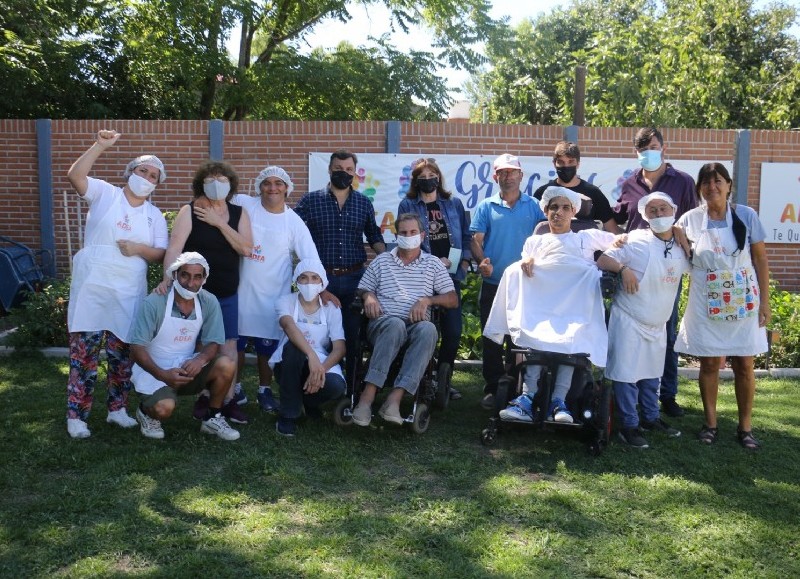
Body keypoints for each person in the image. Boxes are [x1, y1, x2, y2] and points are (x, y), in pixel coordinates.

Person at [65, 129, 168, 439]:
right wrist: (100, 145)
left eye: (153, 176)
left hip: (127, 290)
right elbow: (76, 176)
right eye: (142, 171)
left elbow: (160, 252)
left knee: (121, 354)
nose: (147, 178)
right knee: (85, 354)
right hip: (93, 286)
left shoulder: (154, 216)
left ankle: (117, 410)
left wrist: (137, 249)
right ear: (130, 172)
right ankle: (77, 416)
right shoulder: (105, 193)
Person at [487, 186, 615, 424]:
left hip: (573, 313)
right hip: (540, 311)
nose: (559, 212)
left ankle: (559, 400)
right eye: (553, 207)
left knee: (570, 340)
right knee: (534, 337)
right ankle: (527, 398)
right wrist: (527, 261)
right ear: (545, 211)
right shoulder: (535, 241)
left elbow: (623, 242)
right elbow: (522, 265)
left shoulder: (586, 238)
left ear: (573, 212)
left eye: (565, 208)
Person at [675, 163, 771, 450]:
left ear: (729, 185)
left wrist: (765, 302)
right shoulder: (689, 220)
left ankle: (745, 428)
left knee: (744, 363)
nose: (712, 187)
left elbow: (761, 260)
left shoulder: (746, 215)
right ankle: (711, 424)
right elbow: (670, 240)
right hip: (705, 299)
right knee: (710, 362)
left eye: (718, 181)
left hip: (743, 296)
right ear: (699, 189)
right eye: (705, 182)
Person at [158, 161, 253, 424]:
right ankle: (204, 397)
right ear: (201, 183)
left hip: (226, 293)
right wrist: (168, 279)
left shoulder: (239, 213)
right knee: (201, 346)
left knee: (229, 347)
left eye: (221, 179)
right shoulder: (189, 211)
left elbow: (246, 248)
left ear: (231, 185)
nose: (216, 184)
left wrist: (218, 223)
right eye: (210, 179)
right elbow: (174, 248)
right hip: (194, 294)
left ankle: (227, 400)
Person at [614, 127, 697, 418]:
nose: (647, 152)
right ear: (636, 152)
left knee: (666, 332)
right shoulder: (628, 184)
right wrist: (618, 238)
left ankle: (667, 396)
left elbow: (691, 221)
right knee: (633, 336)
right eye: (641, 149)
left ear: (663, 146)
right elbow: (618, 219)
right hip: (636, 268)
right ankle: (634, 397)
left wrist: (680, 236)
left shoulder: (684, 182)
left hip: (667, 266)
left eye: (652, 146)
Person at [597, 192, 691, 448]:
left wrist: (684, 237)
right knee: (626, 373)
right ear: (644, 216)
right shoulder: (636, 240)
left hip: (658, 323)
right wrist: (623, 269)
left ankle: (650, 417)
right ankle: (628, 425)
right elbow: (603, 258)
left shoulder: (681, 246)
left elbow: (697, 264)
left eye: (663, 209)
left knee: (652, 373)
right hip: (629, 318)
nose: (659, 215)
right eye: (652, 211)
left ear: (673, 210)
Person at [352, 213, 458, 426]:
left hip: (416, 326)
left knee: (428, 330)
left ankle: (394, 399)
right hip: (384, 324)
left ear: (422, 235)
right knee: (395, 324)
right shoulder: (382, 260)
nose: (408, 236)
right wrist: (368, 296)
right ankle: (367, 397)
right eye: (403, 233)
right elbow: (362, 287)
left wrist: (427, 300)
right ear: (396, 235)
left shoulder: (433, 264)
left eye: (413, 232)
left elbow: (452, 299)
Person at [232, 166, 320, 413]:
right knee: (236, 345)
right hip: (240, 290)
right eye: (267, 183)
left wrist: (321, 288)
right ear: (259, 186)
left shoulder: (294, 221)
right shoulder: (245, 205)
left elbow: (309, 257)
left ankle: (264, 390)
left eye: (278, 183)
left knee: (266, 348)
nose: (272, 188)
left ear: (287, 189)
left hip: (273, 295)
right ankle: (236, 388)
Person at [294, 150, 386, 382]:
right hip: (320, 281)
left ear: (354, 173)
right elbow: (295, 239)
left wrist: (388, 259)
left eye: (348, 170)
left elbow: (374, 236)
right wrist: (320, 288)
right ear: (329, 170)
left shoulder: (364, 203)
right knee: (319, 335)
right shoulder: (309, 201)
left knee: (352, 336)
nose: (343, 174)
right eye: (338, 169)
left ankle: (352, 385)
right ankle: (316, 378)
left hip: (355, 279)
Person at [129, 252, 239, 441]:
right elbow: (136, 348)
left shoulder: (208, 301)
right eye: (185, 275)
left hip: (188, 367)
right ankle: (145, 412)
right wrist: (162, 374)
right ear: (175, 275)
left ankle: (213, 417)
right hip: (155, 370)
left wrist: (200, 359)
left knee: (227, 364)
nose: (190, 283)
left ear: (204, 278)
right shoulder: (155, 302)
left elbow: (214, 341)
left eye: (198, 276)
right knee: (163, 409)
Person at [470, 153, 546, 409]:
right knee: (493, 338)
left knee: (519, 341)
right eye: (503, 173)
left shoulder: (535, 206)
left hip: (526, 286)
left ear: (521, 176)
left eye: (513, 172)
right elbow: (476, 240)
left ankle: (515, 390)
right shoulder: (486, 206)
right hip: (494, 285)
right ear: (495, 177)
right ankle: (492, 389)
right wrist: (482, 261)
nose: (508, 177)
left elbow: (545, 239)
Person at [397, 157, 471, 400]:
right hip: (420, 277)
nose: (429, 181)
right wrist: (431, 261)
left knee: (452, 331)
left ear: (439, 178)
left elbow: (465, 236)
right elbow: (406, 239)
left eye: (432, 176)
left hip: (450, 277)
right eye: (423, 177)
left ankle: (443, 379)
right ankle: (420, 376)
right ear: (416, 181)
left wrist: (459, 260)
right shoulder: (407, 205)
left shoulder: (454, 204)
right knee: (423, 330)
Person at [270, 260, 347, 437]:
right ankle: (288, 414)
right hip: (288, 362)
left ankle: (307, 403)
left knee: (336, 386)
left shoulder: (331, 308)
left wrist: (320, 369)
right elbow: (289, 326)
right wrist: (310, 355)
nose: (309, 283)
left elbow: (339, 348)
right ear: (296, 281)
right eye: (303, 278)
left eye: (314, 278)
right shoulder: (285, 302)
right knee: (294, 348)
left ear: (322, 282)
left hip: (320, 362)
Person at [533, 141, 618, 233]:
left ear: (578, 164)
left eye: (570, 161)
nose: (566, 166)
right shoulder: (543, 193)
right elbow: (533, 228)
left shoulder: (594, 193)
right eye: (561, 162)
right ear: (554, 163)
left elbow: (612, 230)